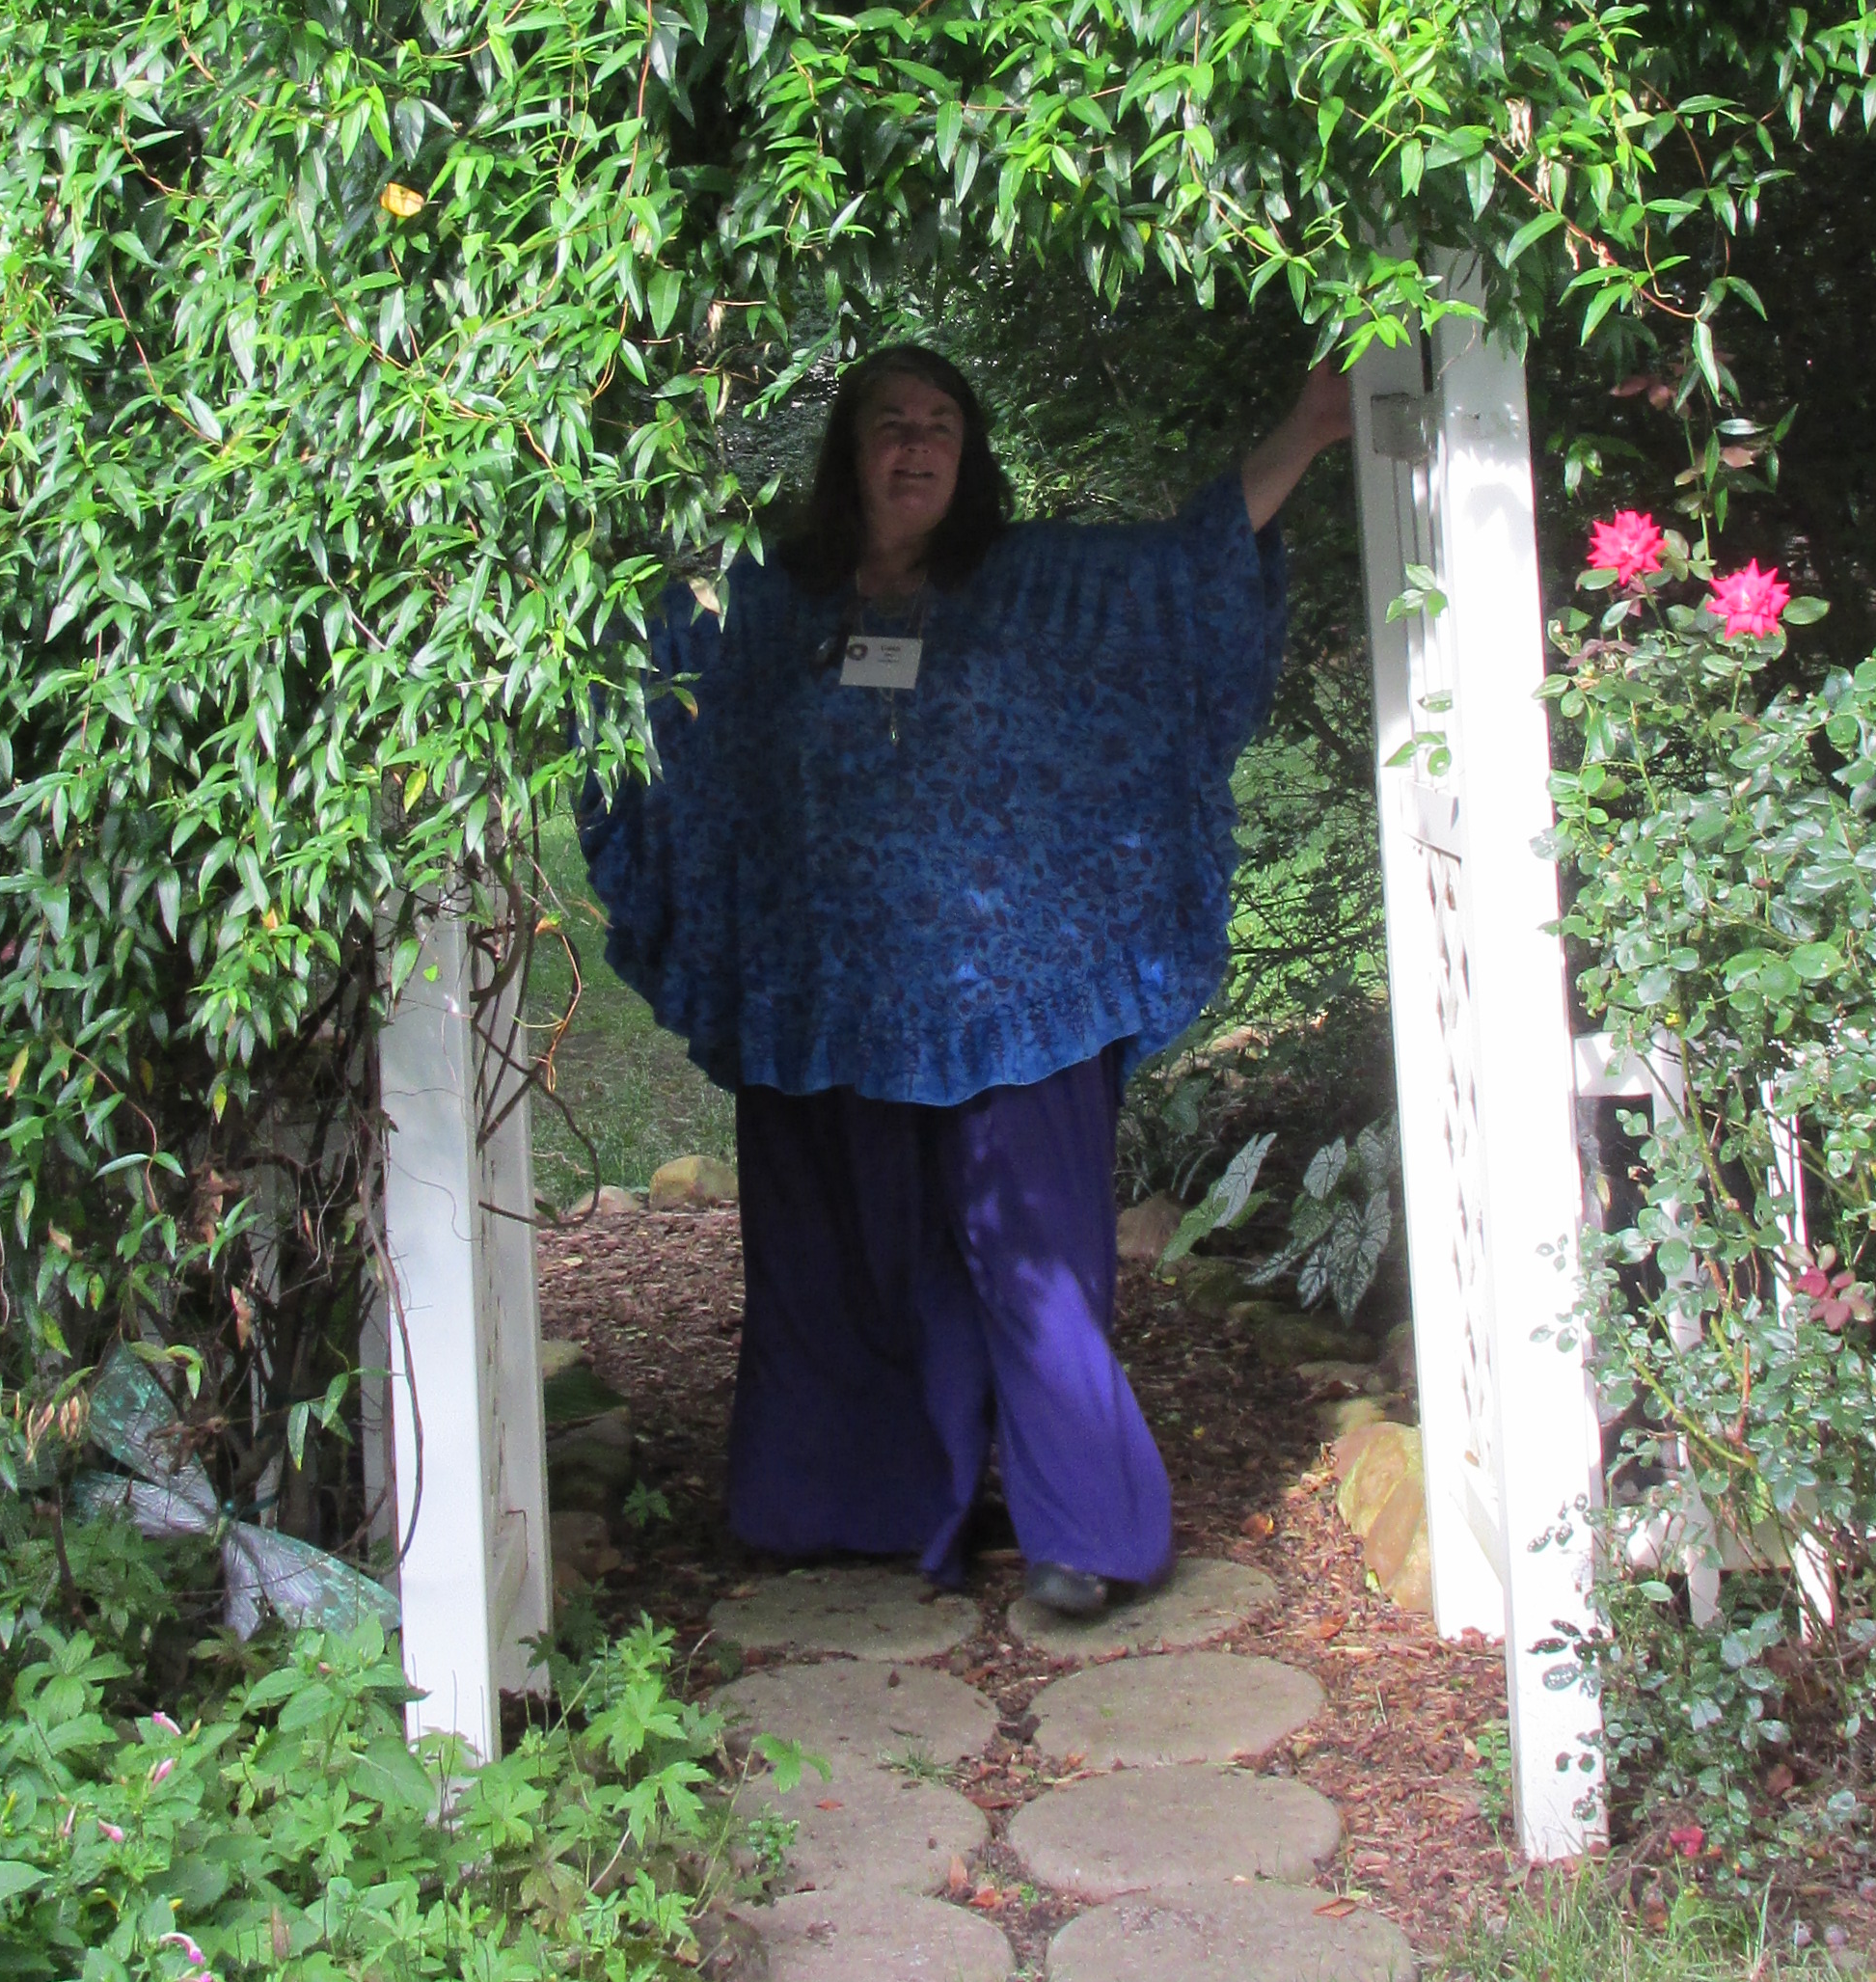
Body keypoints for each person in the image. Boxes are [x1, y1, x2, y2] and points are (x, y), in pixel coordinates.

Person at [578, 343, 1357, 1615]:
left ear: (969, 455)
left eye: (942, 424)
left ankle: (1085, 1537)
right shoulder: (766, 604)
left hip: (1019, 995)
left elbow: (1175, 580)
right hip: (827, 995)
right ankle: (844, 1504)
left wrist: (1311, 425)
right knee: (838, 1263)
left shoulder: (1036, 586)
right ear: (849, 451)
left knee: (1034, 1264)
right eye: (892, 422)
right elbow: (633, 668)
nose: (918, 445)